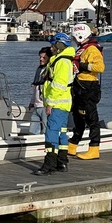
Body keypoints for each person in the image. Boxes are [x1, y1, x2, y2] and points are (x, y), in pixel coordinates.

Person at [33, 32, 75, 175]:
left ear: (59, 45)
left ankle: (49, 165)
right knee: (62, 132)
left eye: (53, 45)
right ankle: (61, 162)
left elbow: (58, 85)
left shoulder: (62, 62)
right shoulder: (62, 60)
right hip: (63, 104)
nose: (51, 48)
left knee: (51, 133)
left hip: (57, 104)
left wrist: (50, 103)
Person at [69, 23, 105, 160]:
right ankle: (72, 145)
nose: (73, 39)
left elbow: (100, 67)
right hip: (79, 85)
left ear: (80, 35)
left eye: (74, 36)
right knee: (78, 116)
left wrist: (82, 65)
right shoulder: (82, 49)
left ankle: (94, 148)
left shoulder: (92, 49)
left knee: (91, 118)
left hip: (88, 86)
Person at [28, 46, 52, 134]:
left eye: (44, 58)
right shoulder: (39, 70)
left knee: (46, 130)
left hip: (45, 106)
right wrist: (32, 102)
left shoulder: (50, 70)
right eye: (40, 57)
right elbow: (35, 88)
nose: (41, 59)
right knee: (32, 131)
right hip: (36, 106)